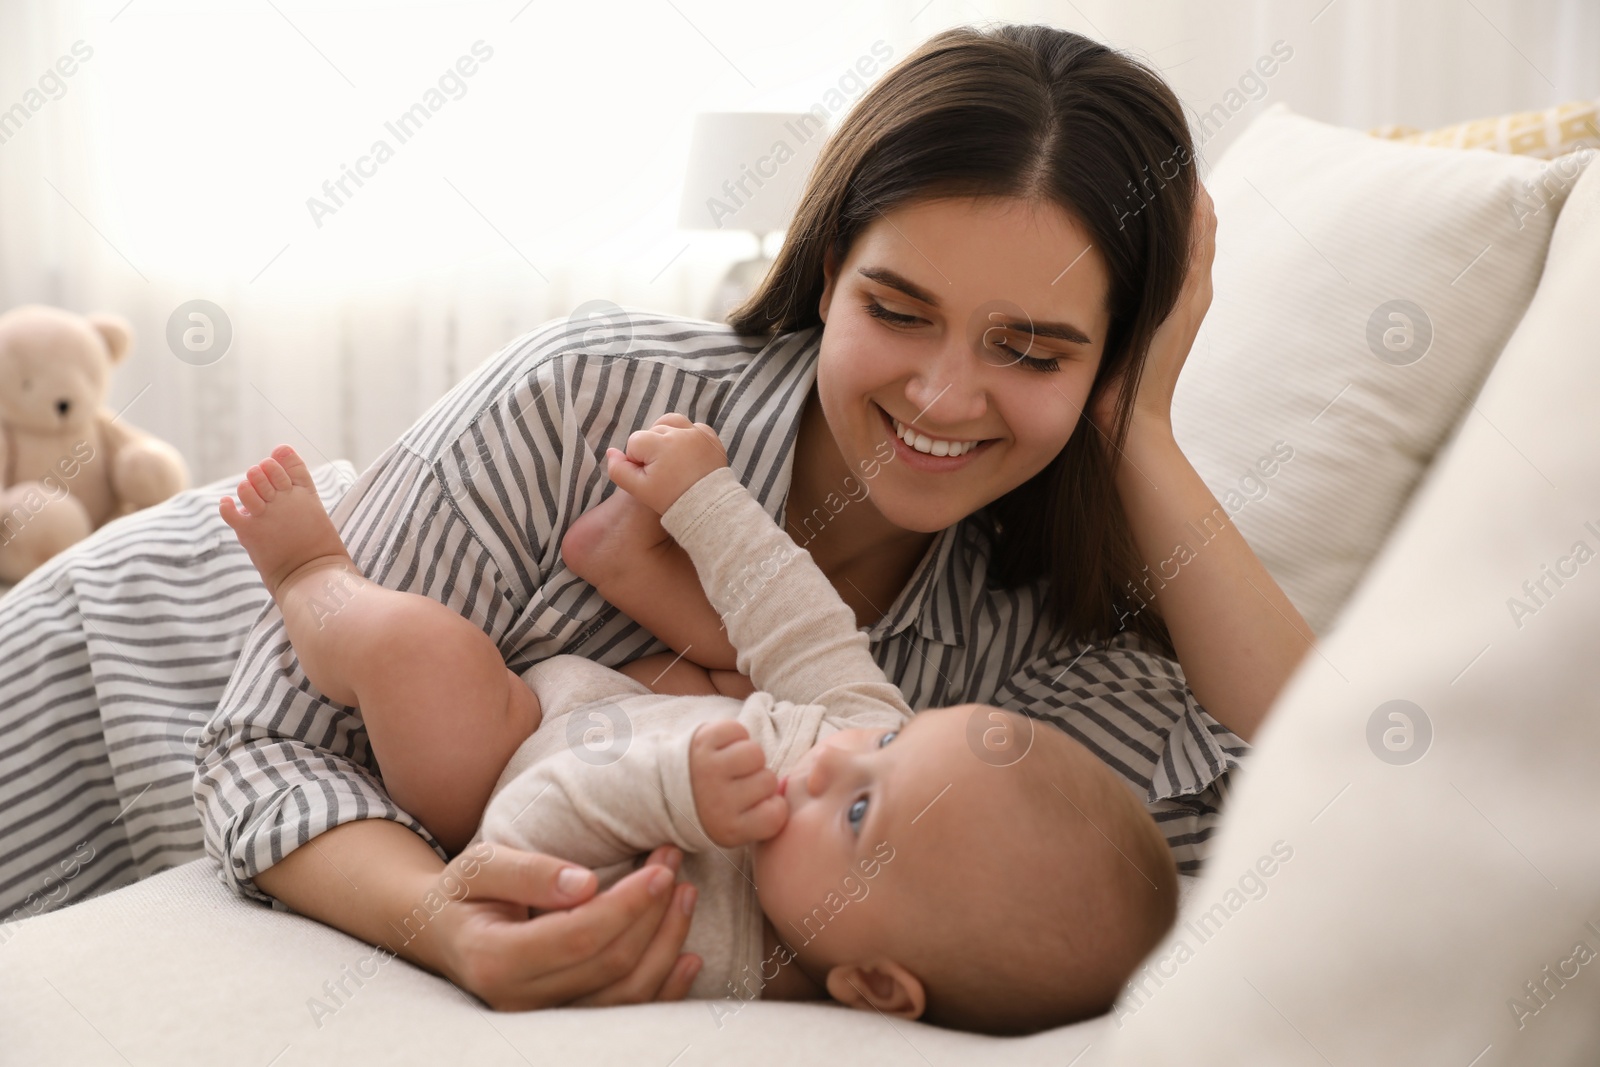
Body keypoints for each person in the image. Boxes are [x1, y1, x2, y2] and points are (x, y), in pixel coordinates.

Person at [0, 24, 1313, 1010]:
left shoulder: (1014, 650)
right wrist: (441, 919)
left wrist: (1139, 426)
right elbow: (256, 745)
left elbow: (1321, 779)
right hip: (126, 656)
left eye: (1034, 349)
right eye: (897, 309)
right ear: (829, 268)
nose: (942, 393)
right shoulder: (603, 396)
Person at [217, 426, 1178, 1035]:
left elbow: (517, 840)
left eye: (854, 815)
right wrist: (704, 500)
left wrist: (676, 788)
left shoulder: (708, 953)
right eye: (888, 746)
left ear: (874, 986)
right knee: (765, 658)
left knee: (419, 652)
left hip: (505, 754)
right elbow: (801, 623)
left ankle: (309, 576)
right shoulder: (855, 740)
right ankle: (628, 562)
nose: (829, 759)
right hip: (625, 691)